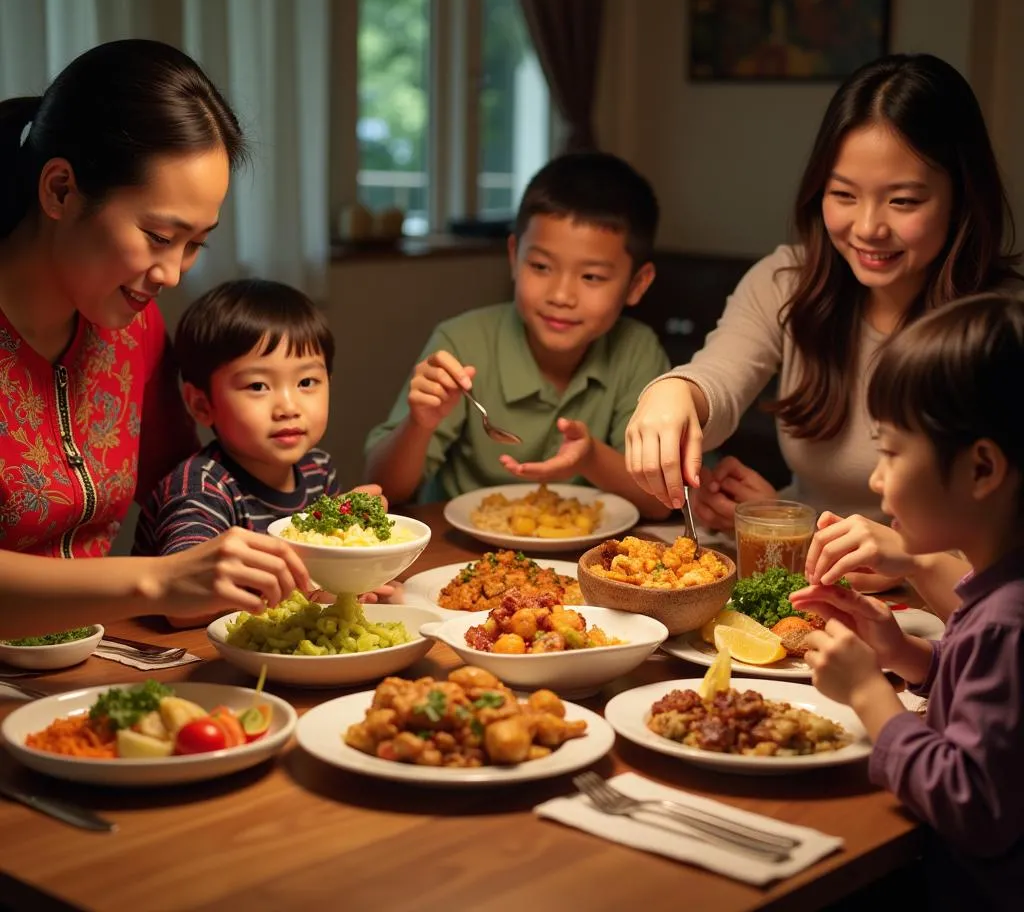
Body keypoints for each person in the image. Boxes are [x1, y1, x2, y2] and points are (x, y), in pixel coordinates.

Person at [624, 53, 1020, 608]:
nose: (867, 227)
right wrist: (673, 393)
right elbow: (720, 375)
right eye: (843, 195)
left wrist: (910, 559)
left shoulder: (1003, 323)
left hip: (944, 620)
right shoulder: (788, 281)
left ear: (961, 196)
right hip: (813, 597)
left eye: (903, 200)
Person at [0, 39, 309, 639]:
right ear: (60, 190)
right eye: (158, 235)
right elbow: (168, 575)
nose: (173, 274)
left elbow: (188, 490)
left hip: (88, 663)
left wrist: (325, 542)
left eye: (196, 243)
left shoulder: (133, 326)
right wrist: (155, 581)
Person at [792, 293, 1024, 911]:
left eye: (891, 452)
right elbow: (998, 709)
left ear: (981, 469)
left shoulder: (1007, 621)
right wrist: (907, 653)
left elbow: (972, 802)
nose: (875, 478)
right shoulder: (1000, 592)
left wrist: (870, 694)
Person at [363, 151, 671, 519]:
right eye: (540, 266)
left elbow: (660, 501)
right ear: (514, 256)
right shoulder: (463, 341)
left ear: (637, 284)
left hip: (589, 561)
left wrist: (590, 458)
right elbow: (380, 491)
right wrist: (419, 424)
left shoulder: (636, 352)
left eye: (591, 277)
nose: (561, 296)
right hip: (461, 555)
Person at [132, 278, 392, 624]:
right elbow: (184, 606)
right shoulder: (201, 486)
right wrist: (309, 589)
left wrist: (349, 554)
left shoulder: (318, 470)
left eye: (306, 382)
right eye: (258, 386)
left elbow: (317, 579)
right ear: (201, 404)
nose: (288, 407)